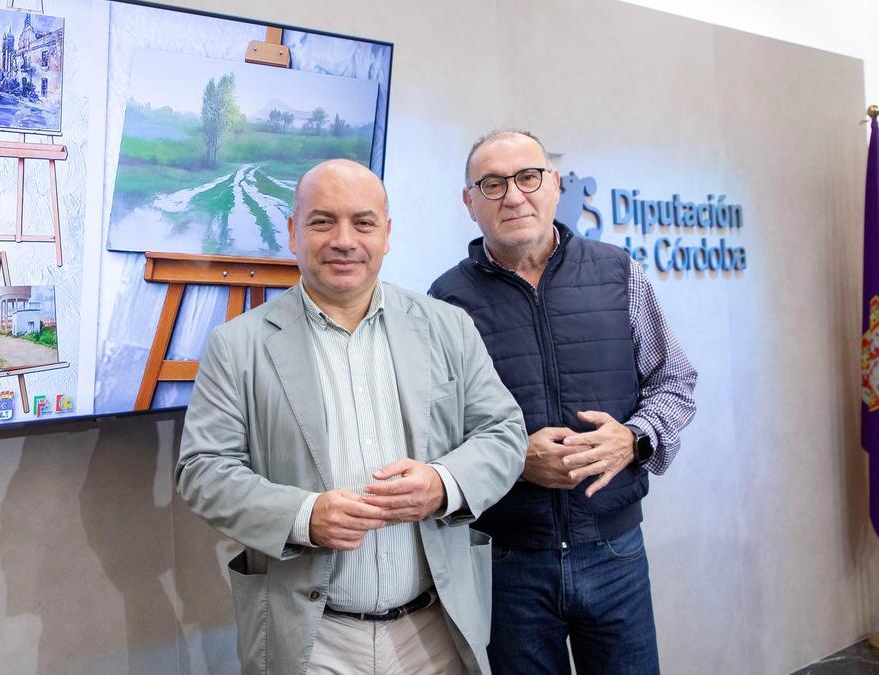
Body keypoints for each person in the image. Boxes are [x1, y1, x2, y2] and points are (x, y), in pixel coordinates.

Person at [176, 159, 527, 674]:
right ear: (293, 232)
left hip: (433, 632)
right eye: (322, 222)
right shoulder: (239, 345)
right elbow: (203, 470)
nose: (344, 240)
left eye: (363, 223)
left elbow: (504, 432)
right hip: (314, 638)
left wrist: (443, 482)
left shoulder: (448, 326)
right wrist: (303, 517)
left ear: (386, 235)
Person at [429, 130, 699, 674]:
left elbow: (675, 380)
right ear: (469, 202)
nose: (513, 195)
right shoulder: (445, 302)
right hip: (508, 563)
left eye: (528, 177)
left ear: (553, 185)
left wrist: (634, 437)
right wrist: (513, 458)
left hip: (615, 551)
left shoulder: (619, 272)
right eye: (492, 183)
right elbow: (433, 433)